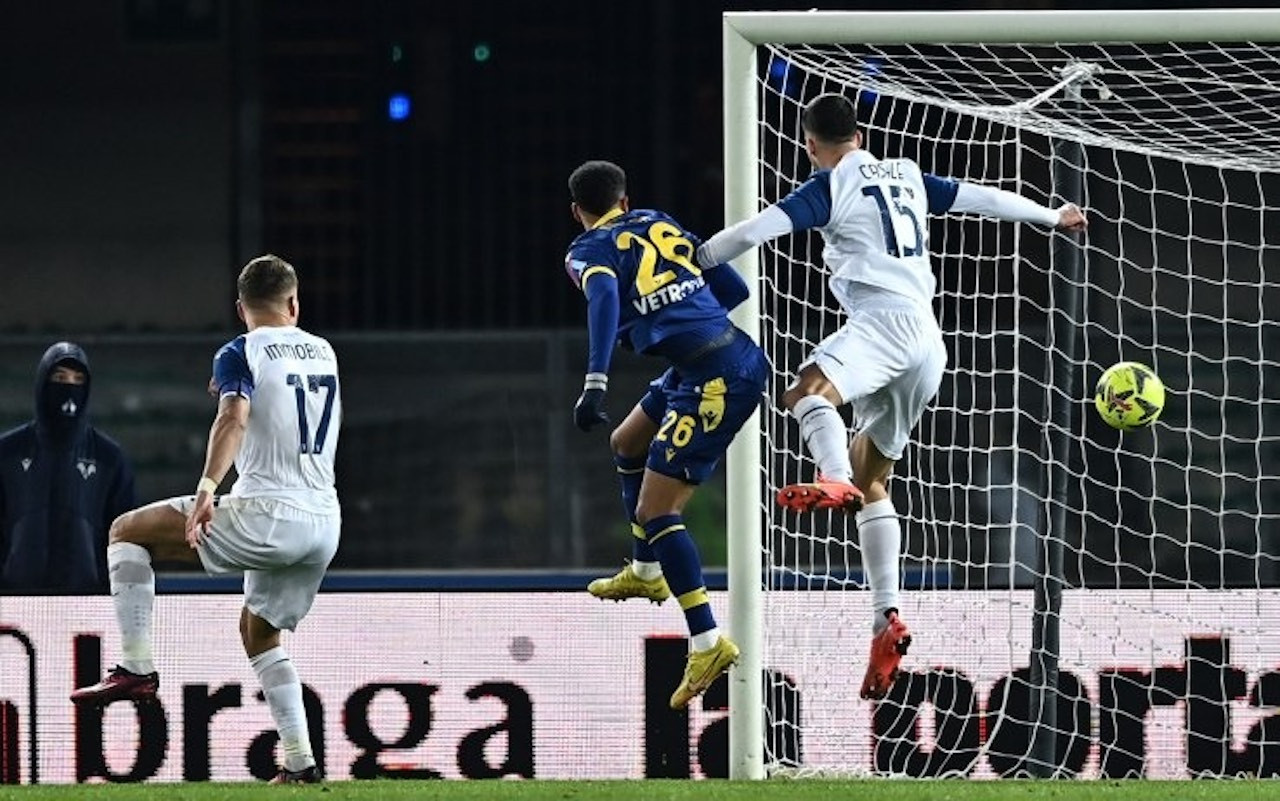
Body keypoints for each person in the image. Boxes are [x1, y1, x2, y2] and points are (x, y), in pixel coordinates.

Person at [694, 93, 1087, 701]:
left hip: (880, 325)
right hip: (929, 341)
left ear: (810, 143)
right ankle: (886, 616)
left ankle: (828, 476)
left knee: (804, 391)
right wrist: (1049, 214)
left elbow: (755, 231)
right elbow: (979, 197)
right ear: (861, 130)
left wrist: (699, 256)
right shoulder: (904, 174)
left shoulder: (829, 186)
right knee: (872, 477)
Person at [69, 255, 342, 784]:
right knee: (259, 634)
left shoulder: (239, 350)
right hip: (324, 521)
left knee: (126, 532)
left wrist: (207, 489)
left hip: (270, 514)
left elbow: (234, 415)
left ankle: (136, 668)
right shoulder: (325, 351)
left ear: (241, 308)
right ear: (294, 303)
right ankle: (301, 764)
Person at [565, 160, 769, 710]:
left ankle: (705, 640)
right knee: (626, 443)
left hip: (718, 377)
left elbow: (604, 300)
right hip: (707, 362)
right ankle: (646, 569)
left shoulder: (585, 252)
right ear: (624, 201)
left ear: (577, 211)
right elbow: (733, 286)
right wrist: (684, 320)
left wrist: (595, 382)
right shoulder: (661, 221)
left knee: (659, 511)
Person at [0, 342, 136, 592]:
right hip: (14, 600)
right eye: (59, 377)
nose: (69, 386)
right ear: (43, 383)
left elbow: (125, 540)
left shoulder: (109, 458)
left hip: (85, 602)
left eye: (78, 379)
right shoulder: (7, 452)